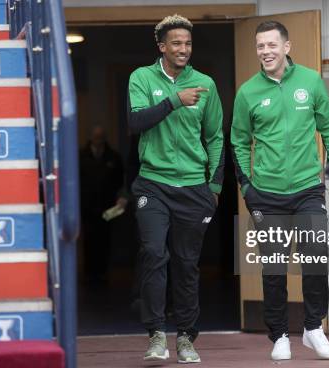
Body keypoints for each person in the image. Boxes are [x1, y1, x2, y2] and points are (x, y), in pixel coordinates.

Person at [231, 21, 329, 361]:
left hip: (308, 188)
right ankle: (279, 334)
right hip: (266, 194)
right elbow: (238, 140)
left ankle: (314, 328)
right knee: (274, 268)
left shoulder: (310, 81)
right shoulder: (247, 92)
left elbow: (328, 124)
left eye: (271, 45)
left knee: (315, 257)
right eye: (260, 46)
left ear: (286, 47)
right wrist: (247, 187)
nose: (265, 51)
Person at [127, 14, 224, 364]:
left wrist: (214, 184)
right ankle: (156, 335)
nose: (183, 49)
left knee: (186, 264)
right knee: (154, 254)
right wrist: (173, 100)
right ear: (162, 47)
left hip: (194, 189)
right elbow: (136, 122)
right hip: (152, 183)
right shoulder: (141, 77)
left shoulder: (206, 84)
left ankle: (185, 337)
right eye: (176, 43)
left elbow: (215, 137)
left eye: (188, 43)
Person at [79, 125, 124, 284]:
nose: (99, 140)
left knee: (105, 240)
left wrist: (121, 200)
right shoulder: (81, 156)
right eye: (96, 137)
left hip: (108, 207)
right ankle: (90, 274)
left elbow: (121, 181)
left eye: (101, 137)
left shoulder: (113, 157)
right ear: (90, 138)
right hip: (87, 207)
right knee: (89, 240)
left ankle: (103, 273)